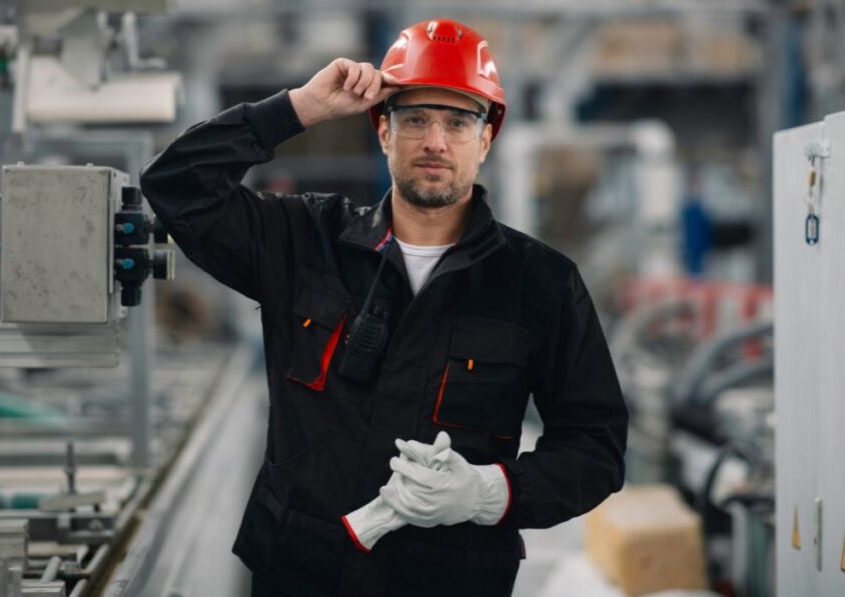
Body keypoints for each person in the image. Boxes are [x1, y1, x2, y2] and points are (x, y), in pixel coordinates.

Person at [140, 17, 628, 597]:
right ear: (383, 131)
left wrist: (490, 491)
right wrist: (296, 108)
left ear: (487, 138)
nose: (435, 142)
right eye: (415, 118)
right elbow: (176, 186)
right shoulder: (304, 241)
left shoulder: (540, 283)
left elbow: (595, 448)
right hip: (298, 577)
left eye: (458, 121)